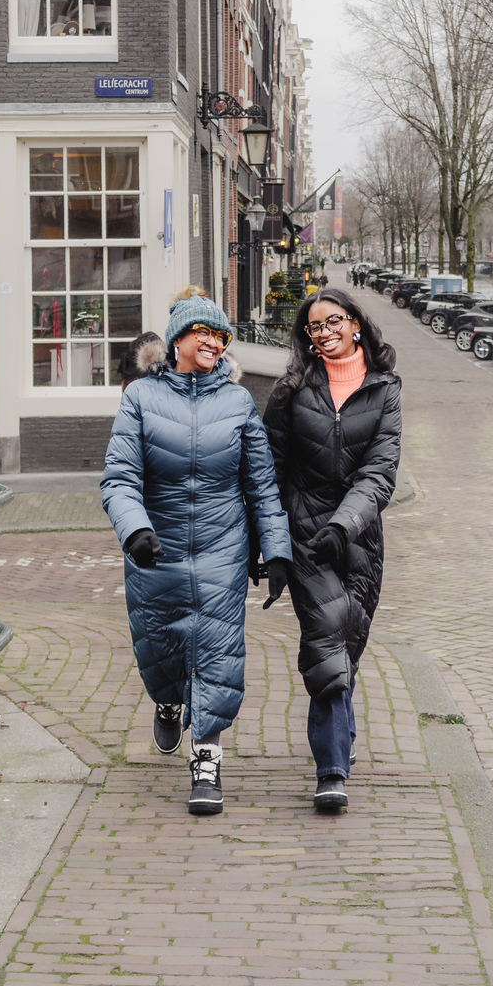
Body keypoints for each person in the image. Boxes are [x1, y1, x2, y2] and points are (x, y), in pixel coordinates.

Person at [101, 290, 292, 816]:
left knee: (216, 653)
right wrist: (134, 530)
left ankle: (206, 760)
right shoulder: (139, 398)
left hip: (222, 549)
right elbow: (119, 478)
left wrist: (275, 550)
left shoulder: (237, 403)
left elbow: (262, 485)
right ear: (179, 339)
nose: (213, 341)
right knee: (160, 647)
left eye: (220, 335)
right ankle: (167, 699)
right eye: (203, 332)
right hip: (154, 549)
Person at [263, 286, 402, 813]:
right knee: (325, 642)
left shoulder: (384, 390)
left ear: (356, 324)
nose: (323, 332)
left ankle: (338, 736)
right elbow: (268, 470)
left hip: (360, 538)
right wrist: (272, 544)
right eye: (313, 327)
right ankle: (331, 769)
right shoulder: (292, 389)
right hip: (306, 537)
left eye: (333, 321)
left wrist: (345, 526)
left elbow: (379, 472)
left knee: (348, 644)